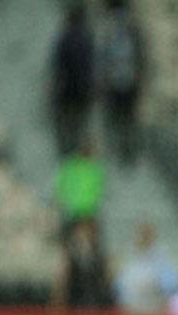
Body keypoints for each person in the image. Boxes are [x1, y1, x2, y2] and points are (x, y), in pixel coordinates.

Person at [100, 0, 145, 164]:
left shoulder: (109, 30)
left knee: (120, 117)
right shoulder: (131, 29)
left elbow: (104, 57)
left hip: (118, 82)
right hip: (127, 81)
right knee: (126, 117)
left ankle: (122, 148)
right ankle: (126, 148)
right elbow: (140, 57)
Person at [51, 3, 95, 155]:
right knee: (81, 123)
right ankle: (80, 150)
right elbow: (91, 65)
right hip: (83, 90)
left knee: (66, 124)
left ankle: (67, 150)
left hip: (66, 90)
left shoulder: (63, 38)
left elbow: (57, 66)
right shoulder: (87, 38)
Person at [114, 222, 178, 314]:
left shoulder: (162, 258)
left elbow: (173, 286)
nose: (143, 238)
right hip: (131, 310)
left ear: (152, 237)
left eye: (146, 235)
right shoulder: (128, 259)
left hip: (155, 310)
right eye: (141, 235)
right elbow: (119, 288)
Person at [53, 219, 111, 308]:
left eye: (88, 233)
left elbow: (105, 283)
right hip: (74, 305)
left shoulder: (100, 259)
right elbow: (63, 286)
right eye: (81, 234)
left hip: (96, 304)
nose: (84, 236)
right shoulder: (70, 258)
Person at [55, 137, 105, 237]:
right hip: (72, 211)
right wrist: (60, 200)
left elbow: (99, 188)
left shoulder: (95, 167)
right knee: (68, 237)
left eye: (90, 148)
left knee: (92, 236)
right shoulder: (71, 165)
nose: (88, 150)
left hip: (88, 211)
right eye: (86, 147)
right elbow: (61, 184)